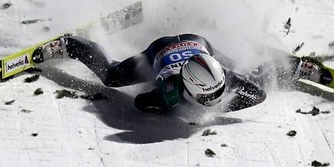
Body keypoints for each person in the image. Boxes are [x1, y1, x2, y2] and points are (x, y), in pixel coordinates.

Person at [32, 33, 268, 113]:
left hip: (199, 43)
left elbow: (259, 95)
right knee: (112, 76)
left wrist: (222, 106)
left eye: (219, 90)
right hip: (158, 50)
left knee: (248, 72)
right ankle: (70, 45)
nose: (214, 100)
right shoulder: (170, 91)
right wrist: (166, 107)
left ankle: (290, 65)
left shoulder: (224, 75)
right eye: (207, 97)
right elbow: (141, 102)